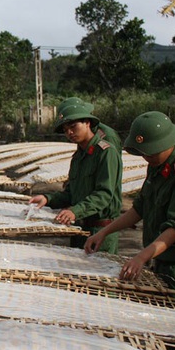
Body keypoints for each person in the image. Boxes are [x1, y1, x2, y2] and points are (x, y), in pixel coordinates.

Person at [85, 111, 175, 303]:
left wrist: (141, 257)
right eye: (144, 152)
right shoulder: (157, 165)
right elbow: (139, 209)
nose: (147, 157)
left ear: (167, 142)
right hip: (162, 263)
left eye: (151, 152)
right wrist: (103, 233)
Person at [29, 103, 122, 252]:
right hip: (79, 227)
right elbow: (71, 193)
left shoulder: (106, 153)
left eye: (73, 127)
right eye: (66, 130)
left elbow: (104, 195)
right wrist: (48, 199)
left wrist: (75, 211)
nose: (70, 133)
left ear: (87, 123)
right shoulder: (78, 157)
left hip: (100, 231)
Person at [56, 97, 121, 148]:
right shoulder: (82, 137)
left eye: (73, 126)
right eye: (65, 130)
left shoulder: (108, 135)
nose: (69, 132)